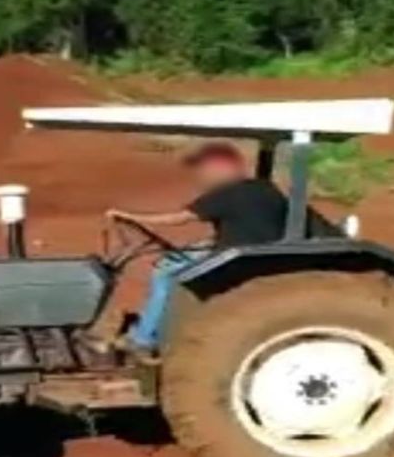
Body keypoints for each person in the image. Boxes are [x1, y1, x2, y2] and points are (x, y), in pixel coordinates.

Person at [106, 141, 306, 354]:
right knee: (182, 258)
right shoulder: (267, 189)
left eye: (205, 170)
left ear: (221, 170)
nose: (202, 175)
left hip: (235, 257)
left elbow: (179, 218)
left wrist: (129, 216)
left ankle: (144, 339)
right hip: (259, 253)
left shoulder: (226, 193)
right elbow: (250, 225)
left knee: (165, 272)